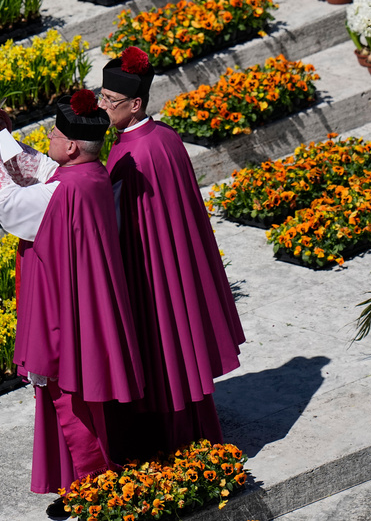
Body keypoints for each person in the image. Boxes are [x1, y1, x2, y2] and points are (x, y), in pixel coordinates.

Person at [0, 91, 144, 517]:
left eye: (52, 133)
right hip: (80, 298)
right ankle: (80, 478)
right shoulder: (89, 175)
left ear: (71, 145)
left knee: (67, 396)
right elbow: (44, 169)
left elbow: (11, 206)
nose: (47, 138)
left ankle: (93, 483)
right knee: (73, 395)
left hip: (60, 307)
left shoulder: (63, 192)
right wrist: (8, 140)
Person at [98, 46, 245, 460]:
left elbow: (120, 224)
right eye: (102, 97)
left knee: (161, 350)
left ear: (136, 103)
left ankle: (167, 443)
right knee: (180, 344)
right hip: (175, 262)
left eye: (110, 101)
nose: (103, 106)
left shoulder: (131, 152)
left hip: (146, 270)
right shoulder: (166, 137)